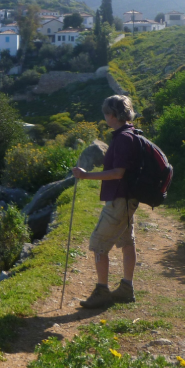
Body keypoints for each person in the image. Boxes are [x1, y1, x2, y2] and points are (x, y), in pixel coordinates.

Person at [72, 95, 141, 308]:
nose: (105, 117)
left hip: (119, 199)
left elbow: (118, 173)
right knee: (126, 242)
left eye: (106, 114)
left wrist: (86, 175)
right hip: (128, 198)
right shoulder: (133, 133)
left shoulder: (122, 139)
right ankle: (126, 288)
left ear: (112, 115)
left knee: (99, 244)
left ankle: (102, 292)